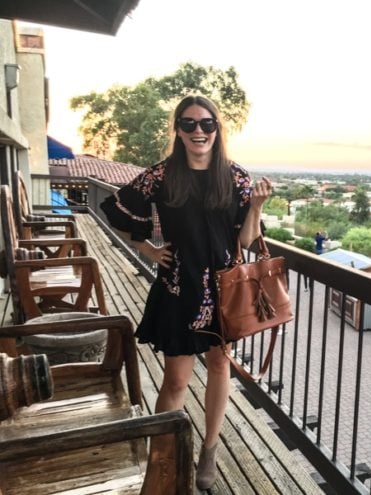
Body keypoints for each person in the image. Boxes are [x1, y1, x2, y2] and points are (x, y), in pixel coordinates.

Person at [100, 94, 272, 490]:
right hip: (179, 286)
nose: (199, 131)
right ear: (178, 128)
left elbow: (246, 240)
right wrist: (146, 248)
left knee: (218, 365)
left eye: (207, 124)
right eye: (190, 123)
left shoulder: (236, 177)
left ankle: (209, 449)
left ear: (217, 130)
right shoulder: (162, 175)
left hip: (223, 288)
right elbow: (115, 208)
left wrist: (258, 208)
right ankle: (163, 454)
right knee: (176, 381)